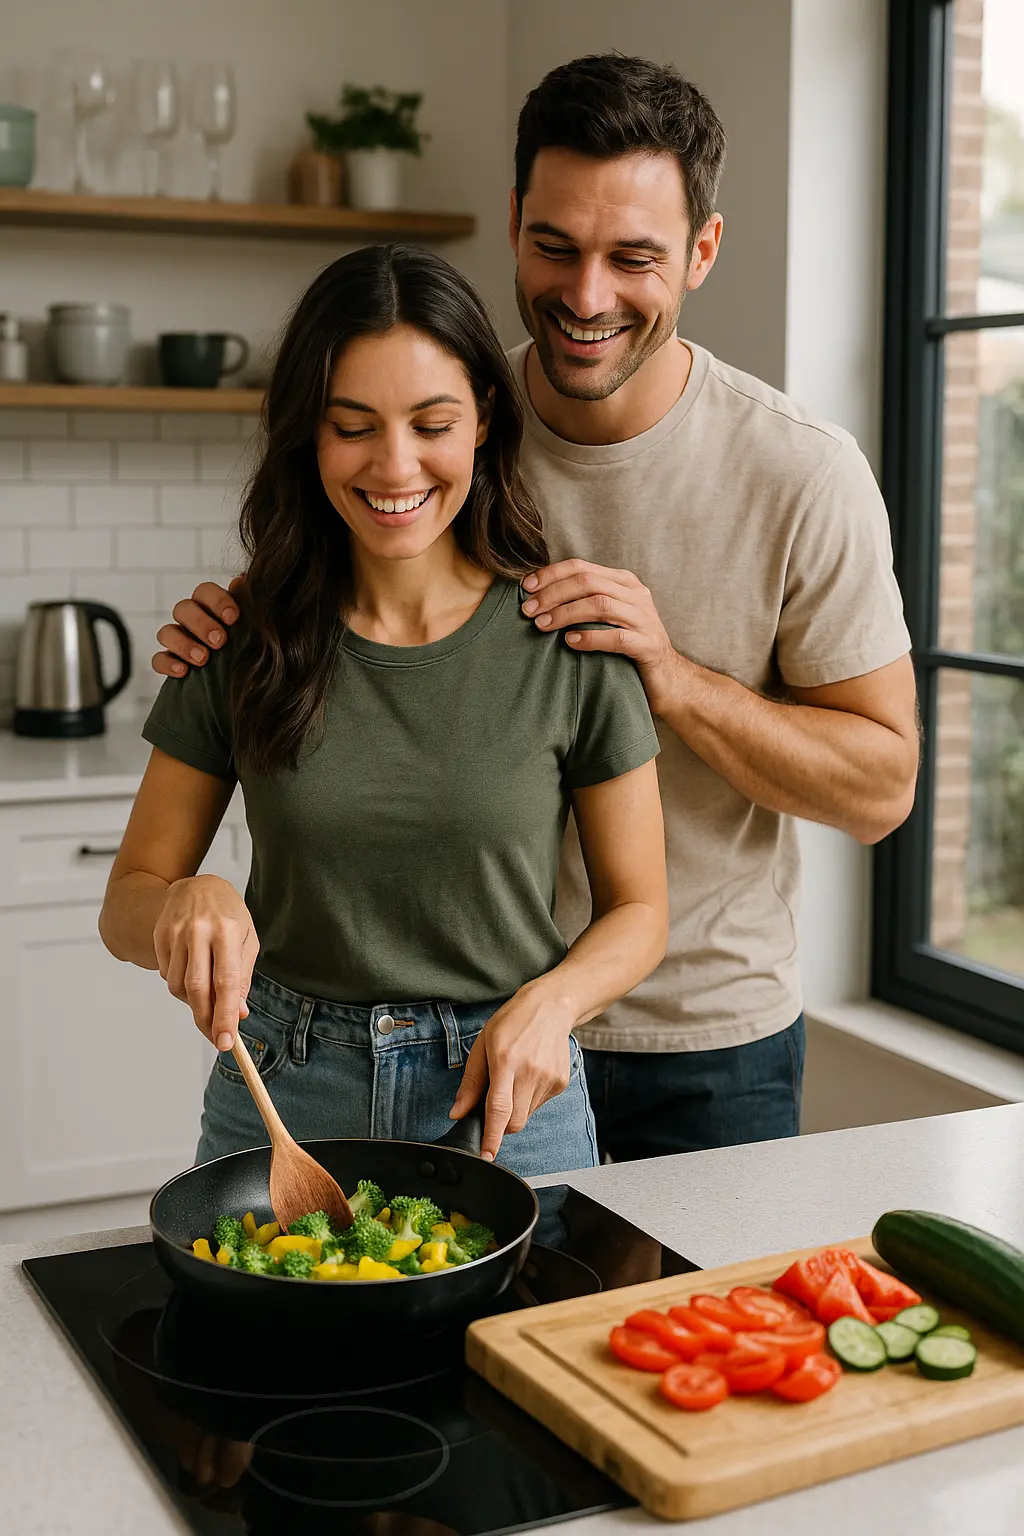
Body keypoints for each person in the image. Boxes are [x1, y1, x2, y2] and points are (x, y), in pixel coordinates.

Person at [150, 54, 919, 1164]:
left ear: (702, 252)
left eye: (634, 257)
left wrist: (670, 676)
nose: (587, 294)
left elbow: (880, 790)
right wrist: (226, 627)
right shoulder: (441, 419)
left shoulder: (800, 473)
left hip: (695, 1040)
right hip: (438, 1037)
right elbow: (328, 577)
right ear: (513, 224)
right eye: (556, 246)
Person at [100, 243, 668, 1175]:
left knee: (524, 1329)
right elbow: (126, 901)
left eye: (431, 423)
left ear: (483, 417)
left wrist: (556, 1002)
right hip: (286, 1091)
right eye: (352, 425)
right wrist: (183, 901)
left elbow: (641, 908)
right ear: (308, 436)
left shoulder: (565, 637)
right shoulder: (238, 639)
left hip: (505, 1096)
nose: (394, 465)